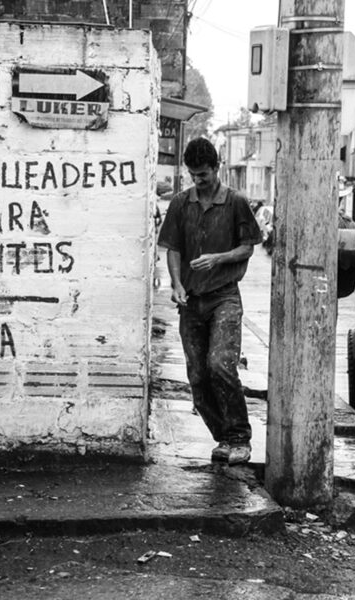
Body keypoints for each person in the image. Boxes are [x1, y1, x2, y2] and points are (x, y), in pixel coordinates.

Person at [158, 137, 263, 465]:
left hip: (224, 297)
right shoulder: (180, 203)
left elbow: (248, 247)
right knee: (198, 376)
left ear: (216, 168)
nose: (197, 180)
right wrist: (176, 284)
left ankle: (240, 437)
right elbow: (173, 248)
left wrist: (218, 258)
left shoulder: (236, 202)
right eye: (193, 174)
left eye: (203, 174)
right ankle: (223, 438)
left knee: (220, 364)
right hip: (191, 301)